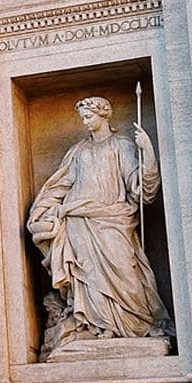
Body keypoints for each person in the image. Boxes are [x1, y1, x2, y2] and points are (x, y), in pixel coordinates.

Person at [27, 97, 168, 343]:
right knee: (88, 275)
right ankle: (97, 325)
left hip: (114, 219)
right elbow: (61, 184)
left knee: (125, 271)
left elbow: (140, 187)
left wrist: (147, 150)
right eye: (83, 118)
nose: (85, 122)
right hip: (79, 221)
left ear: (104, 115)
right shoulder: (78, 151)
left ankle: (136, 323)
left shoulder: (121, 145)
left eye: (89, 116)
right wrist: (43, 210)